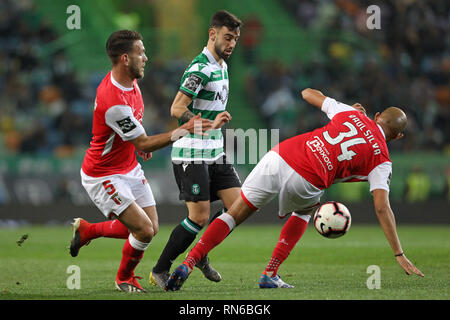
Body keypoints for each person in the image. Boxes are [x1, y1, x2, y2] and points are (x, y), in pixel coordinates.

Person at [165, 88, 424, 291]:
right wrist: (399, 253)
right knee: (303, 212)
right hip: (309, 178)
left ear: (377, 116)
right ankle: (270, 273)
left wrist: (353, 110)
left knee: (234, 212)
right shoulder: (382, 160)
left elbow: (307, 93)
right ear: (398, 137)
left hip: (282, 154)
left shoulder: (352, 113)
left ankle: (189, 262)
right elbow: (381, 206)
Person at [69, 30, 211, 293]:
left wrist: (138, 144)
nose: (145, 57)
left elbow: (136, 132)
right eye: (140, 52)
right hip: (103, 173)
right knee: (143, 231)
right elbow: (142, 139)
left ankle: (87, 231)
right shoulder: (113, 101)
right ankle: (124, 278)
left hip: (128, 166)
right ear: (125, 58)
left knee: (150, 227)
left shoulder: (132, 83)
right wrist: (185, 129)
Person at [149, 10, 243, 288]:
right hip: (191, 151)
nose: (232, 44)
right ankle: (160, 269)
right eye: (227, 37)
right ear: (212, 34)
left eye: (235, 39)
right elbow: (177, 108)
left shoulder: (223, 65)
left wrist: (214, 126)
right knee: (199, 216)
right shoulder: (199, 68)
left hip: (214, 151)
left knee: (239, 207)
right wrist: (208, 123)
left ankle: (200, 253)